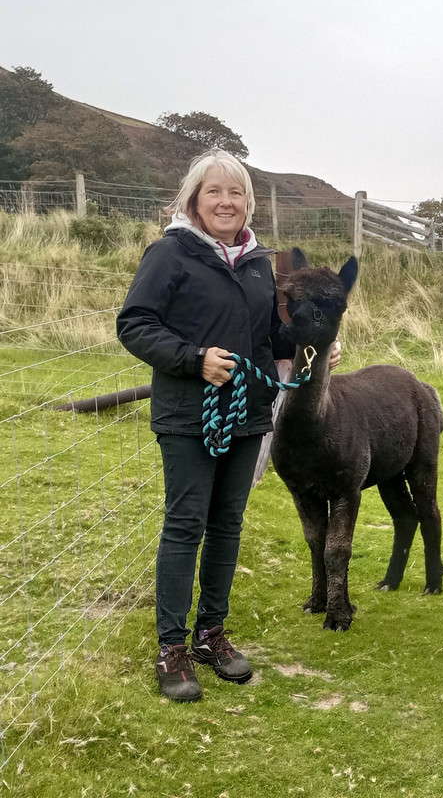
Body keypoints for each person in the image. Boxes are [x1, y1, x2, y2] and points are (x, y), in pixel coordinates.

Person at [117, 149, 340, 702]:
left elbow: (268, 336)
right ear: (194, 200)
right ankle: (171, 647)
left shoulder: (259, 262)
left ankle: (211, 633)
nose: (225, 201)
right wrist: (194, 359)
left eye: (235, 192)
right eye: (214, 191)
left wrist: (314, 346)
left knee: (227, 525)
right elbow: (134, 324)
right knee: (185, 525)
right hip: (189, 415)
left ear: (249, 203)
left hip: (247, 413)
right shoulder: (169, 255)